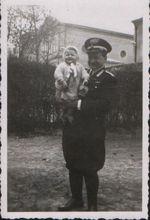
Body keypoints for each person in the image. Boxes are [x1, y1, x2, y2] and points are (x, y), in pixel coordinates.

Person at [58, 38, 117, 211]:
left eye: (97, 56)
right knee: (73, 165)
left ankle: (92, 205)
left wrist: (76, 105)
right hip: (73, 129)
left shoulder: (109, 79)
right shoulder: (79, 73)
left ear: (105, 58)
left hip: (92, 131)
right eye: (90, 56)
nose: (93, 60)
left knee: (90, 168)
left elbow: (105, 105)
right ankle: (76, 200)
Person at [54, 46, 89, 124]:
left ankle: (69, 114)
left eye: (72, 55)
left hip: (75, 89)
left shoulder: (79, 66)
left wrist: (85, 78)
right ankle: (62, 115)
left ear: (77, 57)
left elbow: (84, 72)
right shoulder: (62, 65)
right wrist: (61, 79)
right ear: (64, 56)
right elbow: (57, 73)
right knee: (63, 103)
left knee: (73, 103)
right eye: (67, 54)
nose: (69, 56)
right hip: (65, 88)